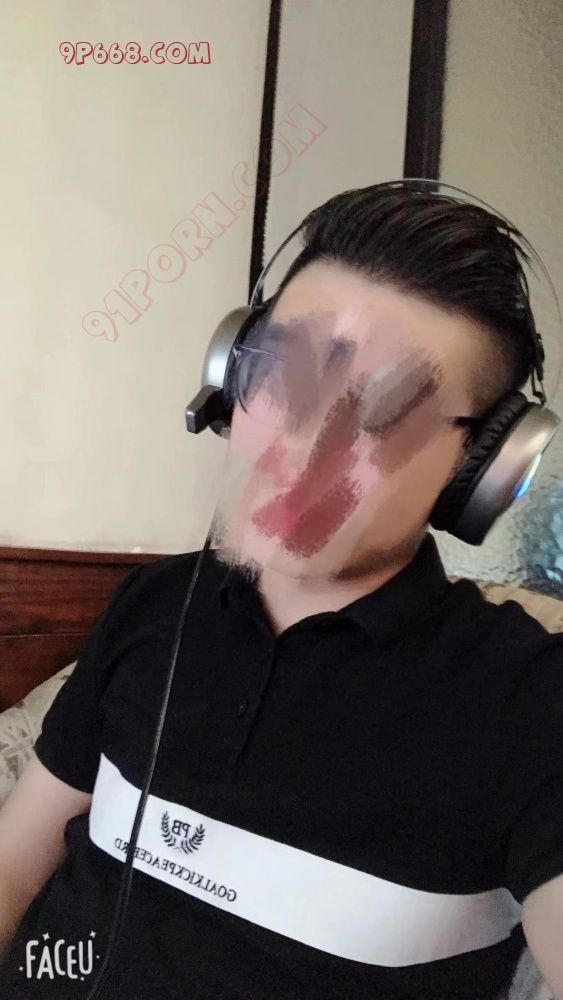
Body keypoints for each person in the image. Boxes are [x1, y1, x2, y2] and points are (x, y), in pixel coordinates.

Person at [1, 183, 563, 1000]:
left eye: (389, 413)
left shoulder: (527, 697)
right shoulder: (155, 603)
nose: (308, 444)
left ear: (480, 472)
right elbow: (13, 868)